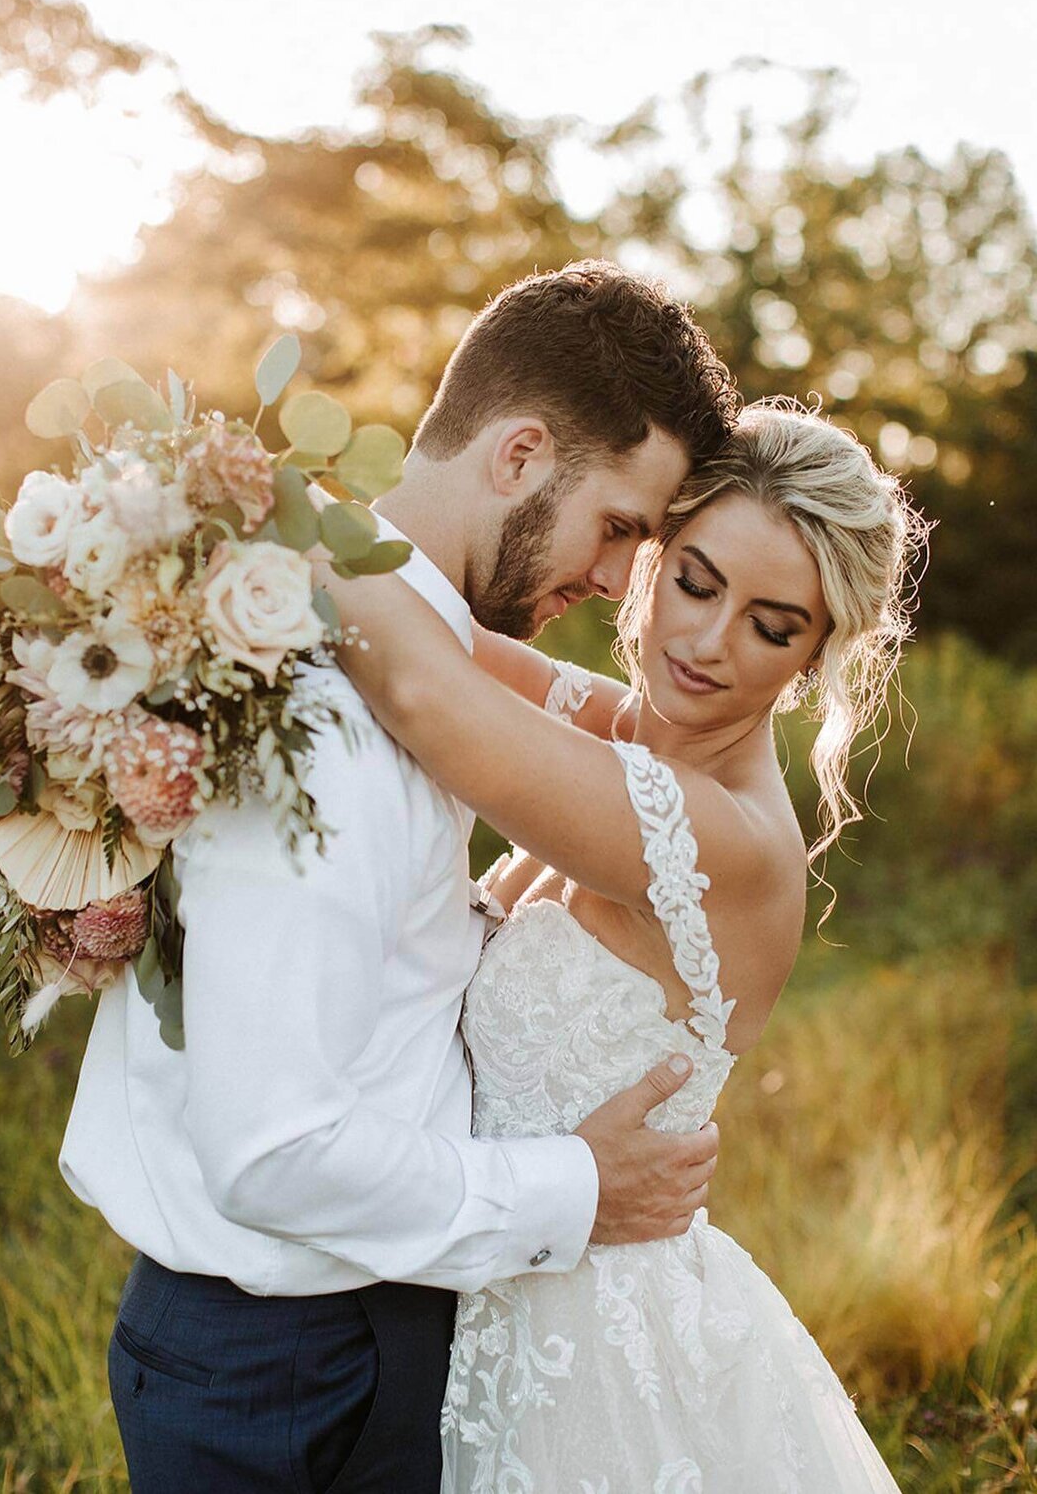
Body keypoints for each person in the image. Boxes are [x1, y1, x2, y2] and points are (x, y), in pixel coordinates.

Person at [58, 260, 739, 1492]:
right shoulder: (329, 715)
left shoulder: (376, 631)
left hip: (370, 1321)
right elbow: (272, 1150)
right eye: (622, 528)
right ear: (521, 454)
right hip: (284, 1368)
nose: (614, 579)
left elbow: (373, 955)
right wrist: (579, 1187)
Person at [314, 399, 928, 1491]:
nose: (705, 642)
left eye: (771, 626)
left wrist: (240, 508)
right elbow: (444, 629)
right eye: (696, 582)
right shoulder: (632, 732)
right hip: (479, 1286)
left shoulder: (720, 836)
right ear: (651, 561)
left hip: (593, 1353)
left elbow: (419, 682)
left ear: (818, 656)